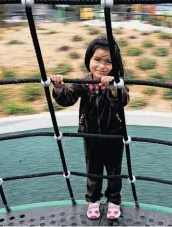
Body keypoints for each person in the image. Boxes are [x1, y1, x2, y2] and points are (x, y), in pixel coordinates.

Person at [50, 36, 129, 220]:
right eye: (97, 60)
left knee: (114, 172)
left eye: (108, 61)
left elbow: (122, 100)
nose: (102, 66)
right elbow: (67, 99)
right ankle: (93, 200)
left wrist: (112, 88)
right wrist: (60, 88)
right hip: (90, 135)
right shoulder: (83, 83)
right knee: (93, 170)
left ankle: (114, 201)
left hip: (114, 136)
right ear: (89, 60)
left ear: (115, 64)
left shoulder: (117, 82)